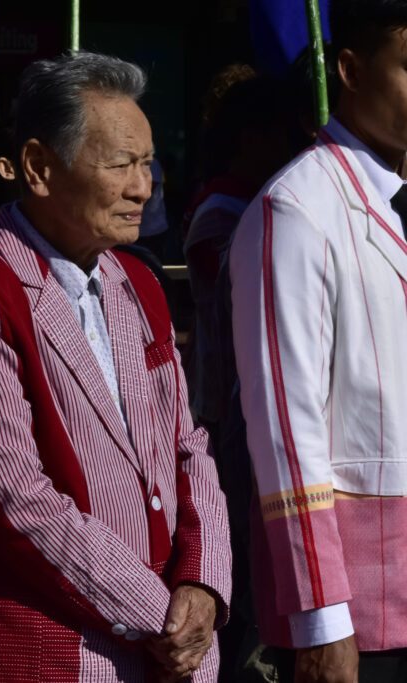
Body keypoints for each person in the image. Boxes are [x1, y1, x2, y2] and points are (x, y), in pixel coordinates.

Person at [0, 51, 231, 682]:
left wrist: (204, 584)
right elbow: (15, 499)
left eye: (147, 163)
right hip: (60, 650)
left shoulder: (137, 282)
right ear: (37, 168)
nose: (144, 186)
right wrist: (159, 615)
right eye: (120, 165)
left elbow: (188, 447)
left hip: (173, 647)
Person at [229, 1, 407, 681]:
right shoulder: (297, 210)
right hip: (363, 611)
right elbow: (285, 429)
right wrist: (322, 616)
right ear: (352, 70)